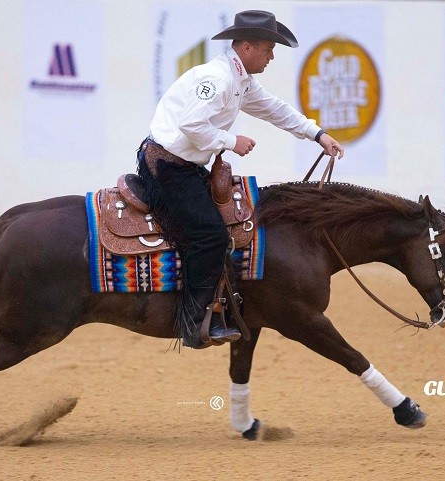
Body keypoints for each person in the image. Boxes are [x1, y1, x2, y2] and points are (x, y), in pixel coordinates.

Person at [137, 10, 345, 349]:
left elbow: (274, 109)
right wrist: (232, 141)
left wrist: (317, 134)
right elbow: (191, 124)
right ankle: (193, 324)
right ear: (246, 48)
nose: (271, 57)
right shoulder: (218, 80)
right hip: (167, 166)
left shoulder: (240, 81)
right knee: (210, 235)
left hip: (183, 165)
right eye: (268, 49)